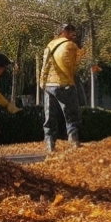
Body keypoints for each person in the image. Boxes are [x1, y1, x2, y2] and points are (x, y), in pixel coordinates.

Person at [39, 23, 83, 154]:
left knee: (50, 116)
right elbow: (74, 66)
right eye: (72, 32)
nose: (74, 35)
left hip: (48, 85)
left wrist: (42, 82)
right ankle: (73, 139)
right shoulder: (71, 46)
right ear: (65, 32)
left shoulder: (49, 45)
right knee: (71, 114)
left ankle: (49, 143)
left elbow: (44, 66)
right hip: (65, 84)